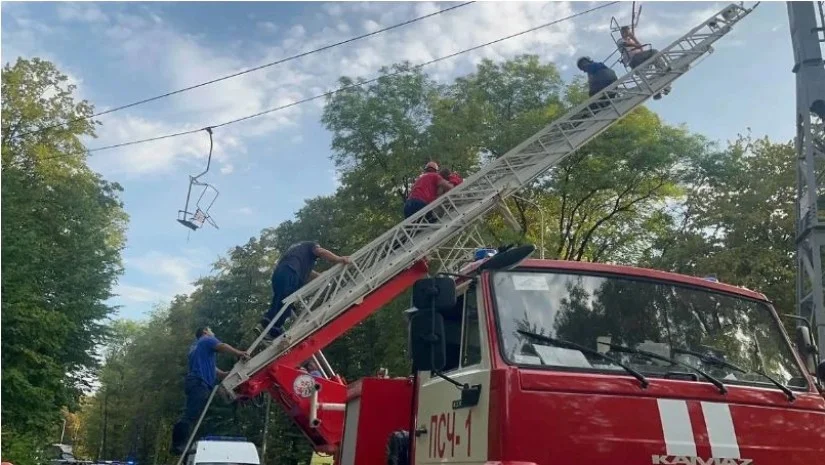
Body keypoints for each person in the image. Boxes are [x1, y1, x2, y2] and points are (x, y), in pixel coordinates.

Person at [171, 327, 248, 455]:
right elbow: (222, 346)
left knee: (192, 414)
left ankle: (179, 444)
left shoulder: (195, 347)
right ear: (205, 332)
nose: (213, 333)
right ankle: (178, 445)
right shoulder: (206, 339)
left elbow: (209, 366)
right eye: (211, 331)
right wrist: (239, 353)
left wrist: (222, 374)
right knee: (190, 415)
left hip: (195, 382)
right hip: (199, 383)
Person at [257, 241, 351, 339]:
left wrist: (320, 276)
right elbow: (320, 251)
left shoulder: (297, 253)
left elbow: (308, 273)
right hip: (291, 272)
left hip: (279, 274)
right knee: (286, 302)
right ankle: (270, 326)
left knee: (282, 302)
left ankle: (269, 326)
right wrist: (339, 259)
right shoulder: (311, 245)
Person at [617, 26, 671, 99]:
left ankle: (661, 87)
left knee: (654, 59)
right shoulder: (620, 40)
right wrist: (635, 44)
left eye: (628, 32)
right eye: (626, 32)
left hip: (640, 59)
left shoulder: (631, 40)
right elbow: (625, 45)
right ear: (622, 33)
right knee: (654, 52)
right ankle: (663, 69)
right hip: (634, 59)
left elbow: (641, 47)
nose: (628, 34)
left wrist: (634, 38)